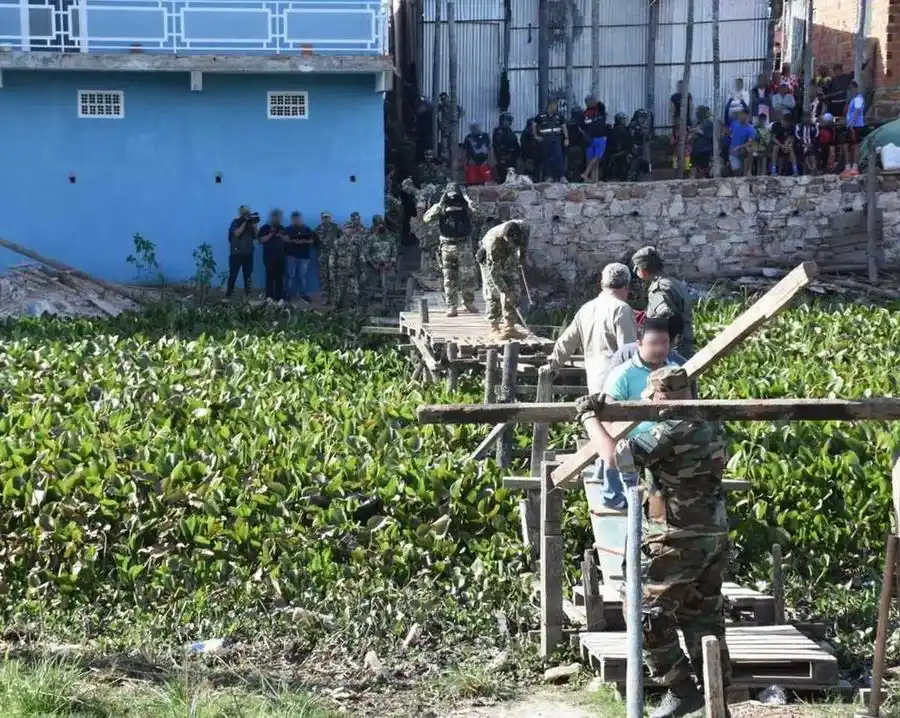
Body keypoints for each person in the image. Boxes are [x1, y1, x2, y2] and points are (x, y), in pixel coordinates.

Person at [578, 366, 732, 718]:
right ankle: (717, 700)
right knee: (704, 619)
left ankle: (680, 689)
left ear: (661, 397)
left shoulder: (669, 432)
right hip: (713, 537)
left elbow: (615, 458)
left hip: (675, 539)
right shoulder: (712, 426)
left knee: (644, 615)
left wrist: (589, 417)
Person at [546, 262, 637, 395]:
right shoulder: (621, 309)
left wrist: (552, 365)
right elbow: (629, 352)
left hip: (594, 383)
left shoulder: (586, 309)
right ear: (627, 285)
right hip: (618, 385)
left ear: (602, 284)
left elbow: (566, 342)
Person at [598, 315, 695, 397]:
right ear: (639, 343)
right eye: (654, 343)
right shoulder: (621, 373)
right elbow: (607, 415)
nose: (659, 348)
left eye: (665, 342)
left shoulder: (679, 370)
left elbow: (690, 410)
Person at [423, 182, 478, 316]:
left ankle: (468, 302)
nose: (453, 198)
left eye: (455, 195)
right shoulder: (442, 206)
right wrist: (440, 204)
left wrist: (469, 203)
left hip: (463, 245)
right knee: (449, 278)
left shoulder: (466, 206)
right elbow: (426, 218)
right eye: (450, 195)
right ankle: (451, 306)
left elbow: (479, 214)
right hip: (447, 246)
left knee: (468, 277)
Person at [632, 246, 694, 358]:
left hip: (671, 350)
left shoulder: (659, 289)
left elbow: (665, 317)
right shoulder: (674, 283)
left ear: (643, 271)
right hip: (685, 343)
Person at [476, 219, 529, 341]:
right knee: (493, 291)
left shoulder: (525, 228)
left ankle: (510, 327)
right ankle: (493, 328)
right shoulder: (493, 243)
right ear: (504, 237)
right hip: (489, 259)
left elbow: (525, 243)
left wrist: (522, 258)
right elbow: (494, 273)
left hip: (510, 255)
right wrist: (505, 292)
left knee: (514, 286)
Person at [330, 212, 365, 309]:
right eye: (347, 228)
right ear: (343, 230)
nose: (349, 230)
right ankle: (336, 314)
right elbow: (332, 258)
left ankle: (353, 315)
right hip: (340, 273)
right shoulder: (337, 243)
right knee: (338, 296)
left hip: (352, 272)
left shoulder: (357, 242)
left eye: (351, 228)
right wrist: (332, 272)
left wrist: (362, 272)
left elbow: (361, 257)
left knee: (354, 294)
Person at [532, 98, 569, 182]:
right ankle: (549, 177)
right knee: (546, 158)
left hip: (556, 140)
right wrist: (536, 136)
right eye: (554, 105)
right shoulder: (541, 115)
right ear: (550, 105)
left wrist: (566, 138)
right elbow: (534, 125)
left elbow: (564, 127)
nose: (555, 107)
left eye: (556, 105)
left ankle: (562, 176)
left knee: (558, 158)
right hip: (545, 140)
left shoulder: (559, 116)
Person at [226, 205, 258, 298]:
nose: (247, 214)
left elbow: (256, 236)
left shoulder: (250, 223)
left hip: (248, 253)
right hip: (237, 253)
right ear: (240, 213)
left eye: (248, 212)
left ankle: (248, 294)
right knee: (233, 274)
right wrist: (244, 222)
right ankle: (229, 293)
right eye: (244, 213)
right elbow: (237, 233)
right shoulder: (235, 222)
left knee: (248, 275)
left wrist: (254, 224)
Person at [257, 209, 288, 302]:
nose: (277, 219)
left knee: (279, 278)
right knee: (269, 277)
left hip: (281, 257)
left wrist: (280, 236)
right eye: (275, 217)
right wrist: (271, 234)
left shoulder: (282, 228)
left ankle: (279, 297)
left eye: (279, 217)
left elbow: (287, 240)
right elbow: (261, 240)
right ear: (272, 218)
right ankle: (269, 296)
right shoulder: (264, 228)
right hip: (269, 257)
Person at [366, 215, 398, 300]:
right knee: (371, 291)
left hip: (388, 267)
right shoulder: (370, 239)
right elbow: (366, 254)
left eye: (382, 224)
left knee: (390, 290)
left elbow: (394, 253)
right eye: (378, 224)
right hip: (374, 268)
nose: (380, 226)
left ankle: (389, 308)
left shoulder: (391, 238)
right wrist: (373, 265)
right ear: (375, 226)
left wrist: (390, 264)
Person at [284, 211, 314, 299]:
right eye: (294, 218)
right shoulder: (287, 229)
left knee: (302, 276)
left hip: (304, 256)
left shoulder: (306, 229)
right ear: (292, 219)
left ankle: (303, 294)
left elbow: (312, 241)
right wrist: (292, 241)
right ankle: (287, 294)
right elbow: (284, 240)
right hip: (291, 255)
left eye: (297, 218)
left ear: (300, 218)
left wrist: (303, 241)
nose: (296, 220)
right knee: (290, 276)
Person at [314, 211, 341, 304]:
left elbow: (340, 240)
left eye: (327, 217)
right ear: (321, 218)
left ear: (330, 218)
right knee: (323, 277)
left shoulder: (336, 227)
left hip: (334, 256)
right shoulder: (317, 229)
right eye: (324, 217)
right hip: (323, 256)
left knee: (334, 276)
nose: (326, 219)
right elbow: (315, 243)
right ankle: (325, 297)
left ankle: (334, 297)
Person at [842, 80, 865, 177]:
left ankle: (854, 168)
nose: (850, 92)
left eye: (851, 89)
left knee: (855, 147)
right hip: (850, 125)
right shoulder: (853, 99)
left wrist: (851, 124)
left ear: (855, 89)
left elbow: (857, 111)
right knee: (847, 146)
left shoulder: (859, 98)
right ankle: (847, 168)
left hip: (856, 126)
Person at [582, 95, 609, 181]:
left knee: (597, 157)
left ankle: (586, 173)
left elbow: (601, 104)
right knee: (593, 160)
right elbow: (581, 127)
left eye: (592, 101)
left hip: (600, 138)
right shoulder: (585, 113)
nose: (589, 103)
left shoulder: (600, 110)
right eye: (587, 102)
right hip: (590, 139)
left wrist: (595, 100)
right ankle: (594, 179)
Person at [670, 80, 694, 168]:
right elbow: (672, 110)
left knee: (687, 145)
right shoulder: (674, 97)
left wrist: (690, 121)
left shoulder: (688, 95)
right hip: (677, 123)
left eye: (682, 86)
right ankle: (675, 166)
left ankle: (687, 166)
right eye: (679, 86)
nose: (680, 88)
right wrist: (674, 122)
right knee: (676, 145)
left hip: (686, 123)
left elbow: (691, 108)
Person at [437, 92, 464, 164]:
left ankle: (452, 163)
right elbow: (435, 112)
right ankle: (444, 163)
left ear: (447, 98)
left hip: (452, 129)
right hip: (444, 129)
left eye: (444, 99)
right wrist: (439, 124)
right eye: (442, 99)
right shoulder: (441, 106)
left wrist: (456, 118)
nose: (443, 100)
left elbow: (462, 111)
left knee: (451, 147)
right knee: (444, 147)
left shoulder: (453, 105)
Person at [492, 112, 520, 182]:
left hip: (512, 158)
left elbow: (515, 145)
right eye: (506, 120)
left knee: (513, 179)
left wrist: (517, 155)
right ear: (501, 121)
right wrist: (502, 156)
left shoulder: (510, 131)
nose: (508, 122)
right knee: (504, 178)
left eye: (509, 120)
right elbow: (497, 145)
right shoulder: (498, 131)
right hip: (503, 158)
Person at [727, 109, 756, 176]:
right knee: (737, 172)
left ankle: (748, 170)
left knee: (748, 149)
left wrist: (739, 147)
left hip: (742, 152)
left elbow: (750, 143)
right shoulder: (734, 123)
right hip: (732, 152)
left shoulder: (751, 129)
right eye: (741, 114)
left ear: (747, 116)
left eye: (744, 115)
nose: (742, 116)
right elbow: (728, 133)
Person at [770, 109, 799, 176]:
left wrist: (787, 144)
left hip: (786, 145)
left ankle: (795, 170)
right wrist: (781, 145)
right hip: (777, 144)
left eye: (787, 122)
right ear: (782, 119)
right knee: (775, 148)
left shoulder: (792, 127)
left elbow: (791, 138)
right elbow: (773, 138)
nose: (786, 124)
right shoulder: (775, 125)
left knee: (790, 148)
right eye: (785, 121)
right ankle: (773, 170)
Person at [689, 106, 714, 178]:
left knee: (700, 169)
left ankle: (695, 177)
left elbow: (709, 136)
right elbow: (692, 137)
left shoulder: (709, 124)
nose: (696, 114)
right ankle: (693, 178)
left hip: (704, 150)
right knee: (693, 166)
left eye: (698, 112)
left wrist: (697, 131)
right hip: (698, 151)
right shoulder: (700, 124)